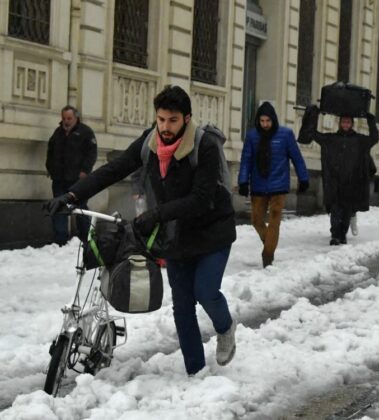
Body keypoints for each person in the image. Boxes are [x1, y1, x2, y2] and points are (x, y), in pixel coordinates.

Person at [43, 86, 237, 375]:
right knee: (182, 306)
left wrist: (155, 215)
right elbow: (115, 169)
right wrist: (72, 195)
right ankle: (196, 373)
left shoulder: (204, 146)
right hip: (177, 235)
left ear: (186, 118)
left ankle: (225, 327)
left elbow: (201, 199)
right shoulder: (150, 143)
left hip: (212, 231)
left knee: (206, 291)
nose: (165, 127)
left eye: (172, 120)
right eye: (160, 120)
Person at [238, 102, 309, 267]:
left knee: (275, 219)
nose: (265, 124)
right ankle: (269, 242)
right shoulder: (252, 136)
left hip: (279, 185)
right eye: (262, 121)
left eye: (268, 121)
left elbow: (297, 158)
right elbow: (246, 160)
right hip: (258, 185)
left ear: (273, 120)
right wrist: (243, 181)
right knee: (256, 220)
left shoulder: (285, 135)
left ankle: (267, 257)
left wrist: (303, 178)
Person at [298, 105, 379, 245]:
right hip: (334, 182)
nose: (345, 124)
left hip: (351, 182)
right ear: (339, 123)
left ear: (352, 124)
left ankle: (343, 234)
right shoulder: (331, 139)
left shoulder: (359, 140)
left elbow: (374, 138)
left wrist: (371, 121)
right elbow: (314, 134)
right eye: (343, 122)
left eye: (348, 122)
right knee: (335, 210)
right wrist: (313, 115)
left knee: (347, 211)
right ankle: (335, 235)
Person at [45, 105, 97, 245]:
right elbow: (50, 151)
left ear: (76, 118)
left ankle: (85, 237)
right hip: (59, 178)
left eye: (69, 118)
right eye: (64, 118)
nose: (66, 121)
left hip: (77, 180)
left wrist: (85, 171)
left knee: (80, 208)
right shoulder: (57, 133)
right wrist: (50, 168)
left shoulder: (85, 132)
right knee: (58, 208)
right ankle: (60, 239)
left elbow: (92, 153)